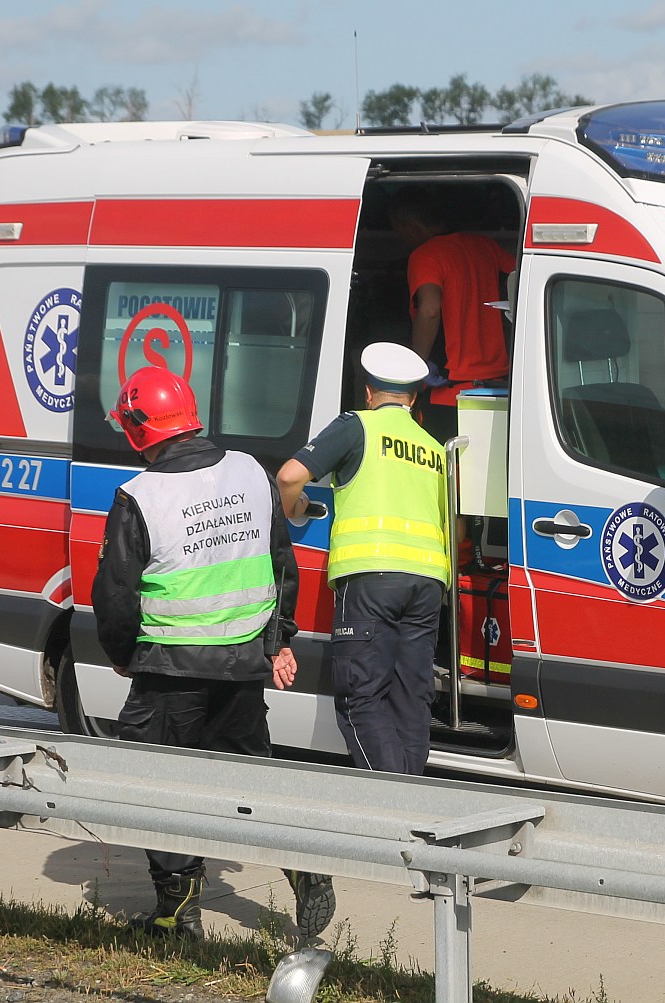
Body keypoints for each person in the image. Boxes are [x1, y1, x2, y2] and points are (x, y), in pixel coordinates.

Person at [92, 366, 334, 941]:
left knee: (156, 783)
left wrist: (123, 654)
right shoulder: (250, 471)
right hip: (242, 663)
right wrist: (278, 639)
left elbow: (116, 595)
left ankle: (177, 914)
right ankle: (301, 863)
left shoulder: (140, 496)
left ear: (138, 428)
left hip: (170, 667)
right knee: (250, 777)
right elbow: (281, 561)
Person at [275, 343, 450, 774]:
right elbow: (454, 527)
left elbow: (288, 475)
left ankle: (391, 803)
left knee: (361, 696)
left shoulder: (358, 426)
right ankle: (411, 797)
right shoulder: (434, 448)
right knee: (412, 697)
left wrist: (294, 509)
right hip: (428, 583)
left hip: (372, 578)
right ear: (413, 398)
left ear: (369, 393)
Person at [388, 187, 515, 442]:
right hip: (499, 387)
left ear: (410, 226)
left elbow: (430, 309)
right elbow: (523, 285)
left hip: (448, 394)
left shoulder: (425, 255)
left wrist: (415, 369)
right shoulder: (486, 247)